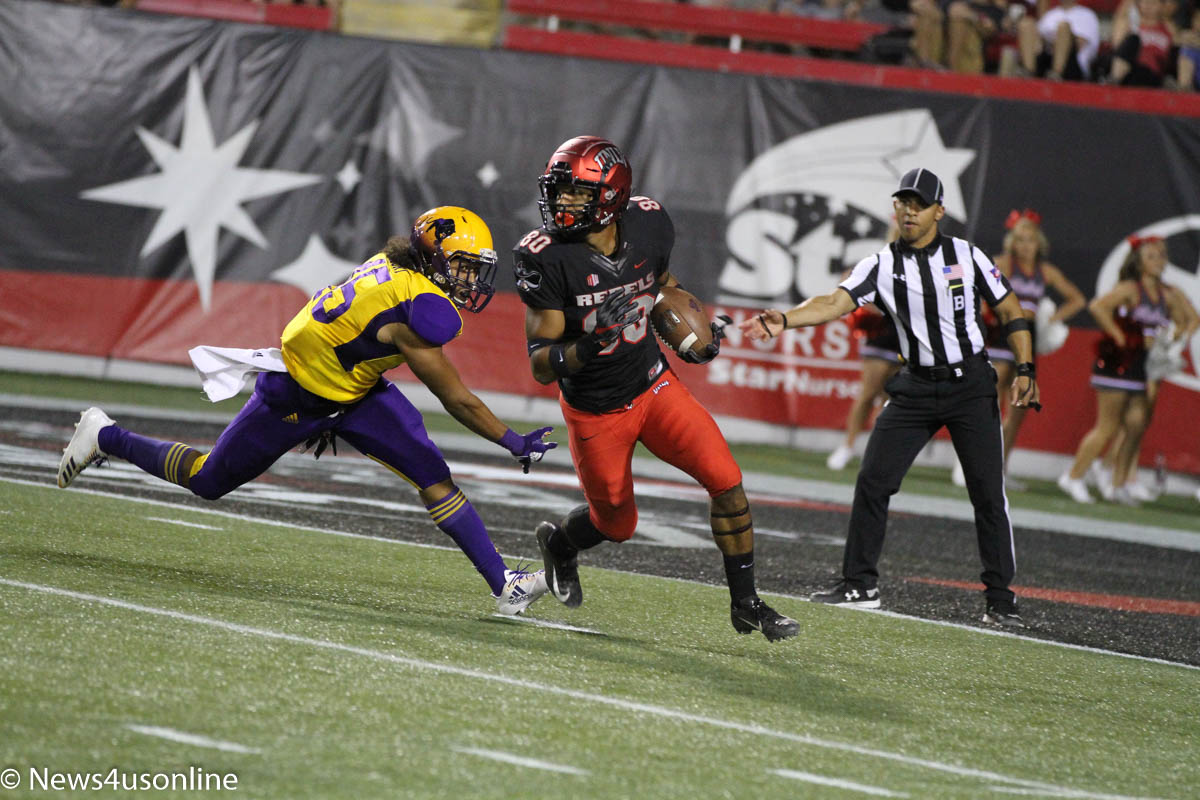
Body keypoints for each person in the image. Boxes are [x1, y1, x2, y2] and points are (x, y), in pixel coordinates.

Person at [57, 207, 557, 615]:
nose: (471, 279)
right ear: (432, 256)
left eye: (475, 267)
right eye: (464, 265)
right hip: (298, 391)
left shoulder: (400, 268)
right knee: (210, 481)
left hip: (356, 391)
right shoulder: (420, 310)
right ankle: (105, 436)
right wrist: (512, 440)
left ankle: (505, 586)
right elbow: (458, 399)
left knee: (434, 475)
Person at [515, 135, 799, 642]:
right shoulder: (546, 257)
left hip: (654, 385)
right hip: (596, 408)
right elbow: (541, 364)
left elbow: (662, 282)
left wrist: (694, 336)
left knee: (727, 480)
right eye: (559, 192)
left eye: (577, 194)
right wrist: (590, 344)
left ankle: (748, 603)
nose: (563, 203)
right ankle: (560, 544)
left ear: (610, 196)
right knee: (617, 523)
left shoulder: (648, 222)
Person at [741, 167, 1039, 628]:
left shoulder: (967, 254)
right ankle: (860, 584)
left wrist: (1025, 367)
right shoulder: (881, 264)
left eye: (919, 204)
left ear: (940, 210)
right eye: (903, 202)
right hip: (916, 385)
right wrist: (784, 318)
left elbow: (1010, 308)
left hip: (970, 386)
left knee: (986, 493)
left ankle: (1001, 599)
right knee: (874, 480)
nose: (910, 211)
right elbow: (834, 302)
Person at [952, 209, 1085, 488]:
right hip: (1003, 336)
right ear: (1013, 241)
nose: (1026, 245)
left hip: (1029, 340)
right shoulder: (1004, 263)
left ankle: (1000, 468)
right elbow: (968, 282)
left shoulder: (1045, 271)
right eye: (1021, 239)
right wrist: (988, 311)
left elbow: (1077, 300)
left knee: (1020, 404)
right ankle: (966, 464)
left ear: (1040, 243)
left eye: (1031, 240)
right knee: (988, 400)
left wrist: (1051, 319)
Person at [1056, 235, 1193, 505]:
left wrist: (1172, 340)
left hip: (1142, 368)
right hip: (1118, 365)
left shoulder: (1167, 293)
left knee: (1135, 424)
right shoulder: (1131, 288)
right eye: (1152, 256)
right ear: (1139, 261)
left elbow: (1186, 320)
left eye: (1162, 256)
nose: (1159, 261)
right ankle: (1073, 476)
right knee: (1107, 427)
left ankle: (1118, 484)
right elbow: (1098, 307)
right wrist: (1120, 336)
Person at [826, 305, 902, 470]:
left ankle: (876, 451)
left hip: (907, 335)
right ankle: (848, 446)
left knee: (891, 400)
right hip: (881, 333)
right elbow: (850, 285)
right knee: (868, 394)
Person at [1017, 0, 1101, 80]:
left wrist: (1054, 42)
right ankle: (1028, 71)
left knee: (1063, 28)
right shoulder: (1050, 14)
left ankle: (1056, 73)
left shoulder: (1087, 15)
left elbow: (1080, 44)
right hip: (1047, 57)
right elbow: (1038, 40)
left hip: (1072, 64)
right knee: (1026, 24)